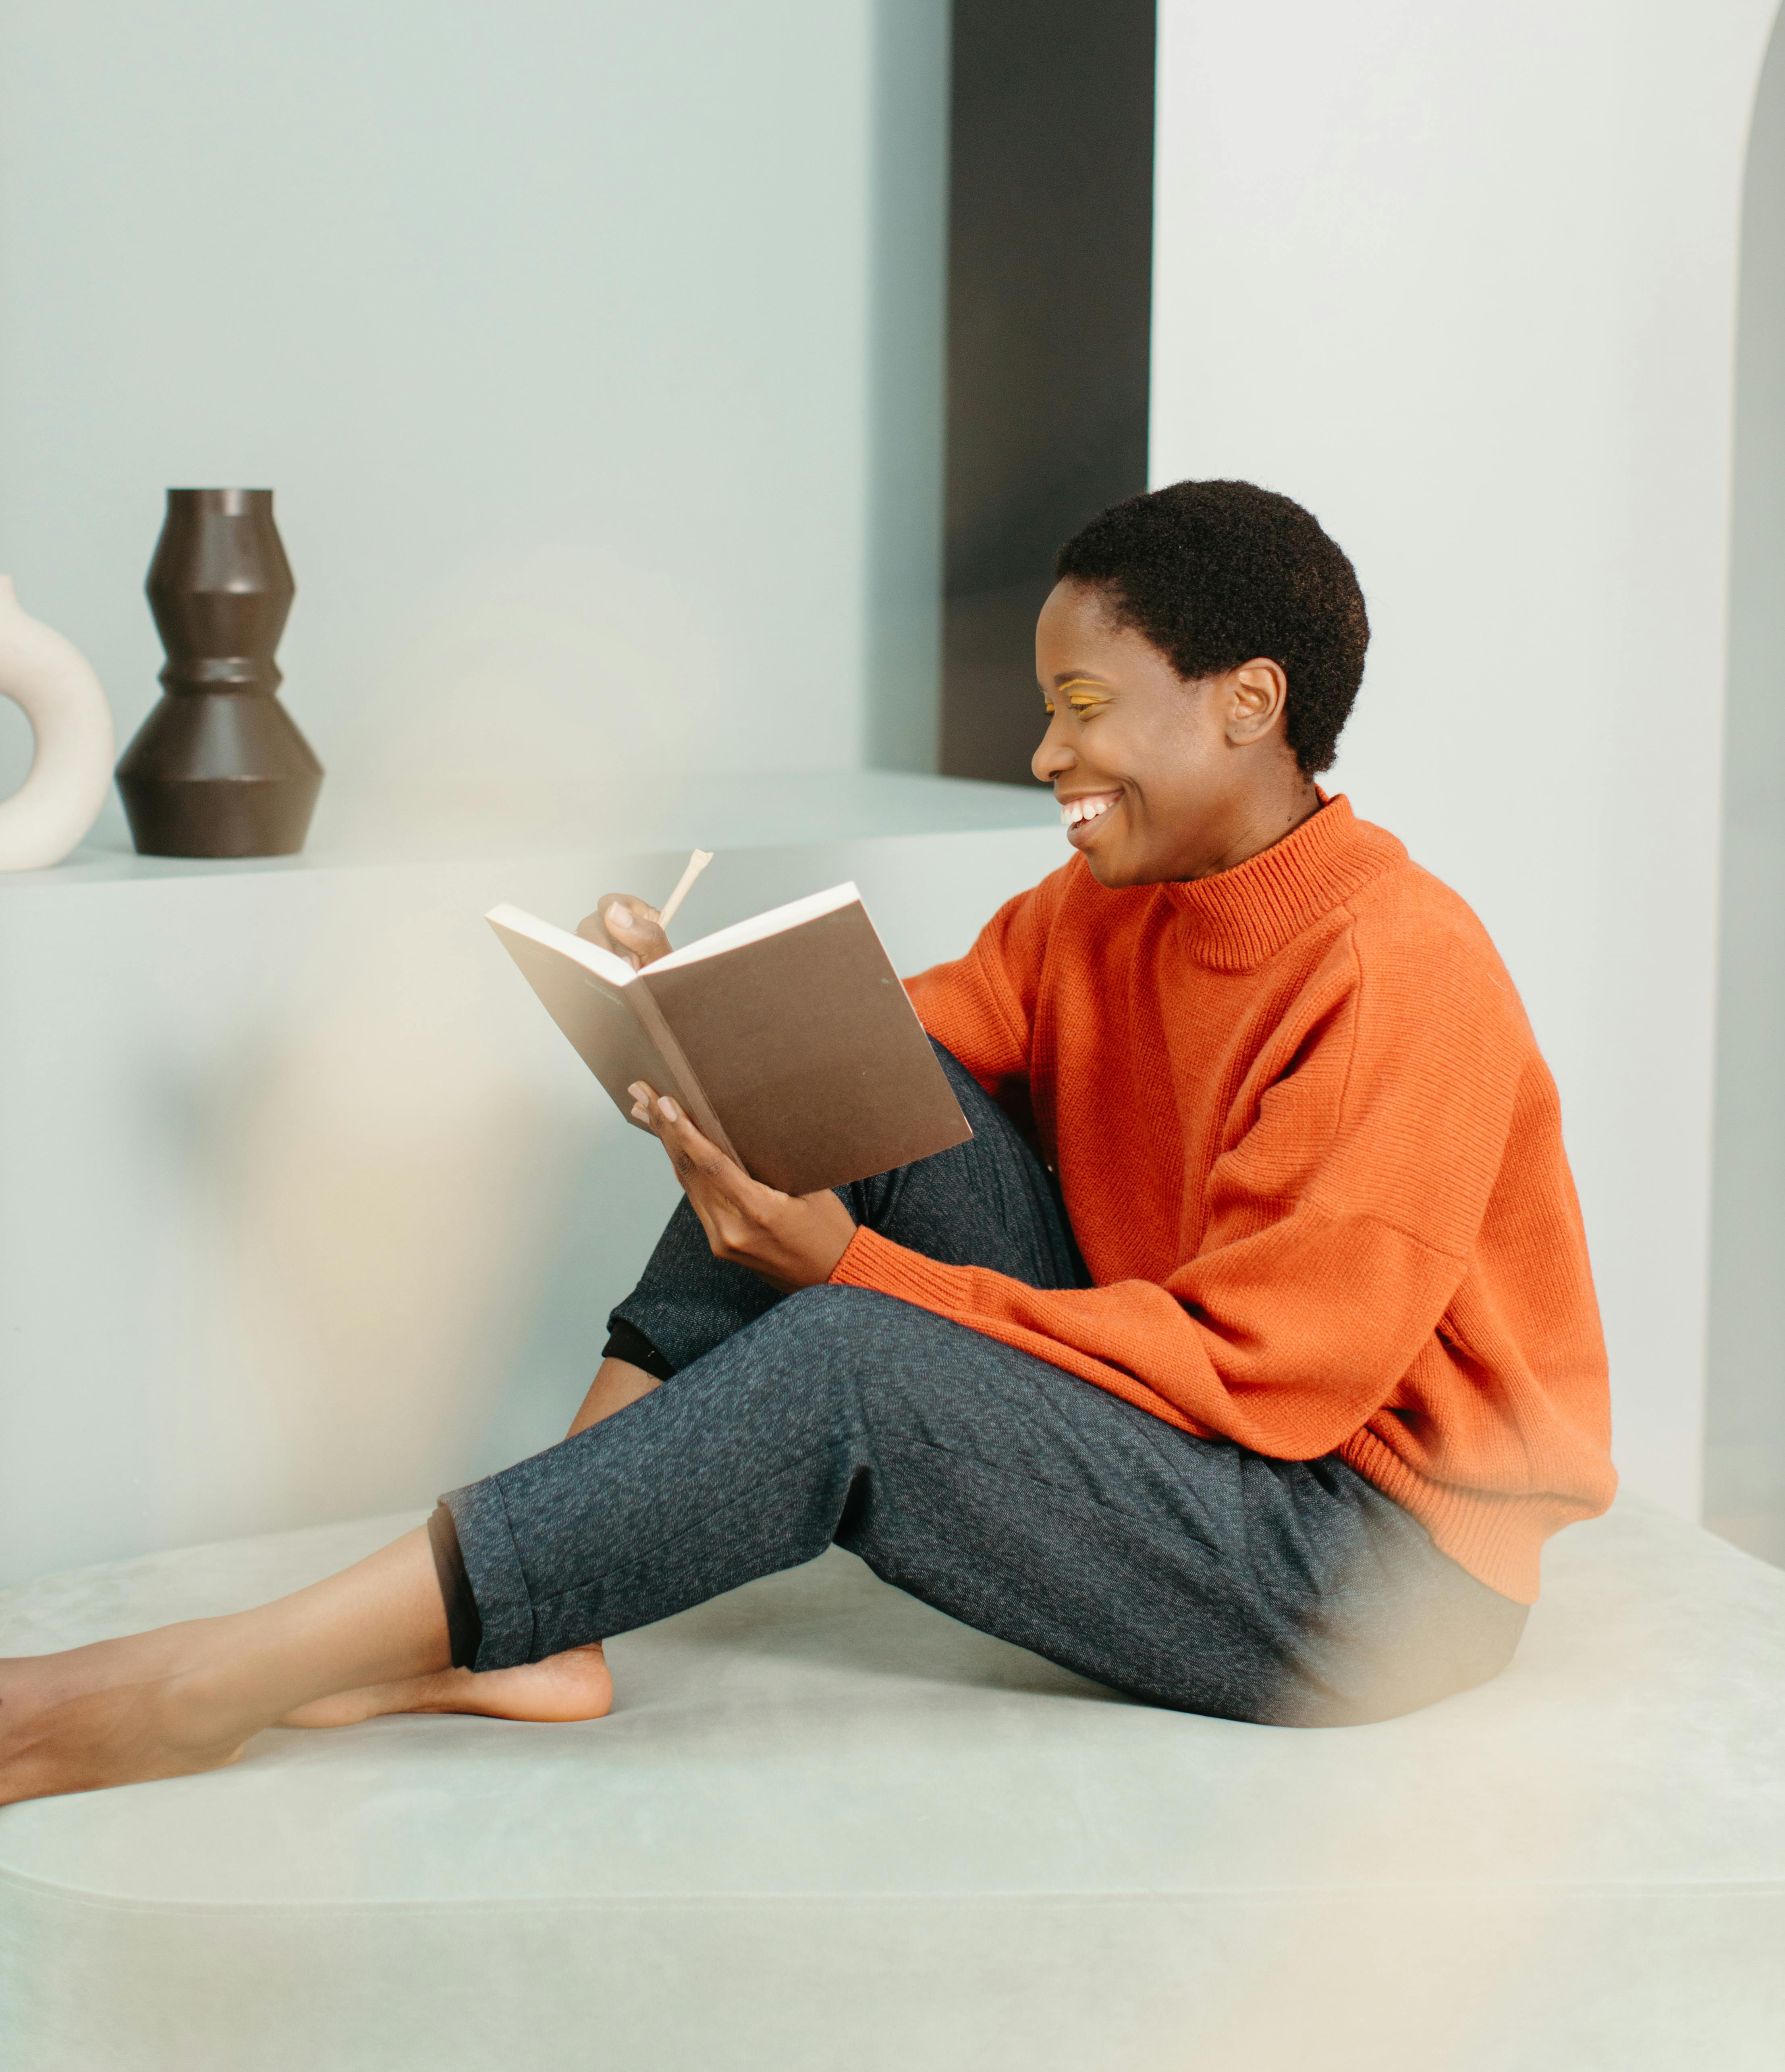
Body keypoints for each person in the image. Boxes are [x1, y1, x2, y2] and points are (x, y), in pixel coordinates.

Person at [0, 480, 1615, 1806]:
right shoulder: (1101, 913)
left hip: (1359, 1571)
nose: (1047, 757)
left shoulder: (1395, 968)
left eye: (1081, 709)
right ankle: (525, 1625)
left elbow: (1280, 1379)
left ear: (1248, 704)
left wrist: (859, 1273)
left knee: (854, 1351)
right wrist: (682, 993)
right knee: (838, 1099)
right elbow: (878, 1050)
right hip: (1206, 1447)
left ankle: (220, 1677)